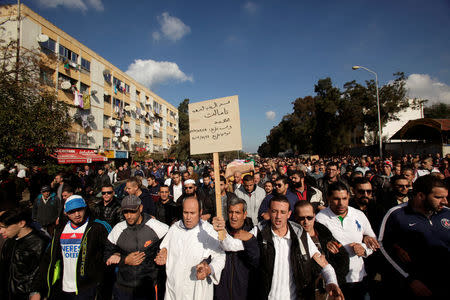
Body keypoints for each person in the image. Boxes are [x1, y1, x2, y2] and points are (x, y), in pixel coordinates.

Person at [220, 195, 343, 300]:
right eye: (274, 211)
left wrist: (332, 282)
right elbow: (230, 245)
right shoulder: (259, 231)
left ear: (289, 214)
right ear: (269, 211)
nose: (278, 216)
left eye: (283, 212)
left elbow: (324, 264)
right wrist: (220, 229)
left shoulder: (300, 235)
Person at [378, 175, 449, 298]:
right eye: (438, 197)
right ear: (421, 195)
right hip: (414, 286)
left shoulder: (447, 213)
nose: (445, 201)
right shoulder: (397, 215)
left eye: (445, 197)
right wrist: (409, 279)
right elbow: (383, 247)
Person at [315, 182, 378, 300]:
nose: (341, 203)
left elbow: (373, 240)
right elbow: (316, 247)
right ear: (328, 198)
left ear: (349, 196)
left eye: (344, 198)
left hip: (358, 277)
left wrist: (364, 248)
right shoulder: (320, 219)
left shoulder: (358, 215)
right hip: (334, 279)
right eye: (336, 199)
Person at [155, 197, 226, 300]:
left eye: (192, 213)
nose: (188, 217)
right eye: (185, 212)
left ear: (200, 212)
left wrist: (209, 269)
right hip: (175, 289)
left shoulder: (209, 231)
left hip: (197, 290)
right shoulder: (175, 229)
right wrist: (163, 252)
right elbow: (164, 247)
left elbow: (220, 256)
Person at [43, 195, 111, 299]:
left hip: (88, 288)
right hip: (64, 288)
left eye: (80, 210)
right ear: (66, 213)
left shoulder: (97, 228)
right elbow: (49, 258)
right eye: (72, 212)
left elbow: (109, 251)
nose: (77, 214)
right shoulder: (60, 230)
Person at [105, 195, 169, 300]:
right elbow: (106, 256)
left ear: (140, 208)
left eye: (132, 211)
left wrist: (165, 251)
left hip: (148, 287)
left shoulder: (157, 227)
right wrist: (124, 260)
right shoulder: (118, 229)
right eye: (125, 212)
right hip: (123, 287)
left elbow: (173, 245)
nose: (129, 216)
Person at [293, 201, 349, 288]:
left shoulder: (324, 233)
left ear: (314, 216)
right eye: (302, 218)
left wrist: (333, 280)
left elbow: (343, 257)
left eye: (309, 217)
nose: (306, 221)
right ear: (295, 218)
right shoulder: (292, 239)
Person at [212, 198, 259, 300]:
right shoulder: (219, 232)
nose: (233, 217)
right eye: (230, 212)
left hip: (244, 292)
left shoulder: (252, 233)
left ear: (245, 214)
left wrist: (249, 241)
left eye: (237, 213)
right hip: (222, 292)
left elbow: (256, 261)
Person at [0, 208, 49, 300]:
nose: (1, 231)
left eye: (4, 227)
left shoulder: (41, 242)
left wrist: (37, 292)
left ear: (21, 223)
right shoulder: (9, 243)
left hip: (28, 295)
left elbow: (43, 272)